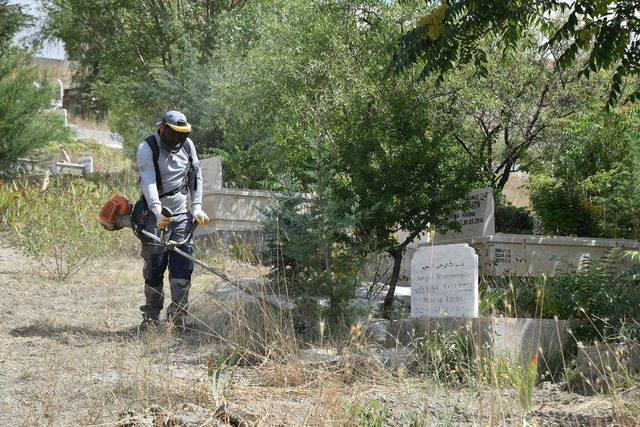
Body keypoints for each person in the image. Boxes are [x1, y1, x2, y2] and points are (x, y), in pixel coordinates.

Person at [136, 110, 209, 331]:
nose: (177, 139)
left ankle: (178, 317)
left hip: (181, 212)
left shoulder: (188, 147)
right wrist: (158, 212)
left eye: (182, 134)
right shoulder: (147, 147)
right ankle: (151, 317)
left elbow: (195, 177)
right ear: (162, 128)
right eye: (174, 134)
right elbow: (148, 182)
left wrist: (196, 207)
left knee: (183, 264)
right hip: (154, 212)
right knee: (155, 266)